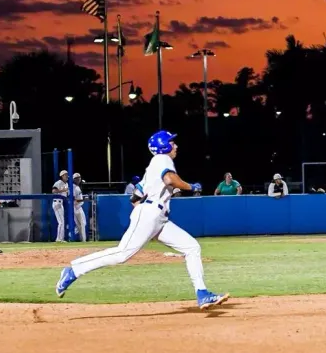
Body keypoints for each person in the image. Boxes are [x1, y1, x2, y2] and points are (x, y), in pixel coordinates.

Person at [55, 130, 229, 310]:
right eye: (172, 142)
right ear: (164, 146)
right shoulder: (162, 159)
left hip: (157, 217)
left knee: (192, 247)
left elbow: (135, 198)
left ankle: (202, 293)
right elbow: (170, 179)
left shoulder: (153, 167)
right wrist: (190, 186)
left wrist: (147, 219)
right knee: (122, 253)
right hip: (151, 213)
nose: (175, 145)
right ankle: (73, 271)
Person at [52, 170, 70, 242]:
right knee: (61, 222)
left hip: (61, 203)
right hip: (57, 202)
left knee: (62, 221)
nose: (66, 176)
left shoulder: (67, 184)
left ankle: (61, 238)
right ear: (62, 176)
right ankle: (59, 239)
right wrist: (62, 190)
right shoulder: (58, 182)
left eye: (67, 175)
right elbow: (53, 191)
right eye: (65, 175)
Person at [72, 172, 87, 241]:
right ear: (74, 179)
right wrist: (83, 199)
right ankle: (83, 240)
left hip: (77, 207)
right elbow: (74, 199)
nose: (79, 179)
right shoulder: (73, 187)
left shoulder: (77, 187)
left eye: (79, 178)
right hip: (76, 207)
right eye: (77, 178)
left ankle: (80, 238)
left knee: (79, 225)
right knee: (82, 224)